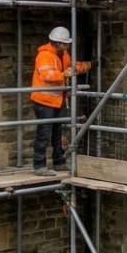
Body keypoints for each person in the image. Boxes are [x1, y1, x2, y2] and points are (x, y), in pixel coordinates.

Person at [30, 26, 91, 176]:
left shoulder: (64, 55)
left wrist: (86, 66)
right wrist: (64, 74)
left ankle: (58, 162)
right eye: (65, 43)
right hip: (44, 101)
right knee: (43, 133)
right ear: (56, 43)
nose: (67, 46)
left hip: (57, 100)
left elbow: (71, 67)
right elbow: (47, 75)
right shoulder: (44, 56)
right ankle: (39, 166)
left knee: (58, 132)